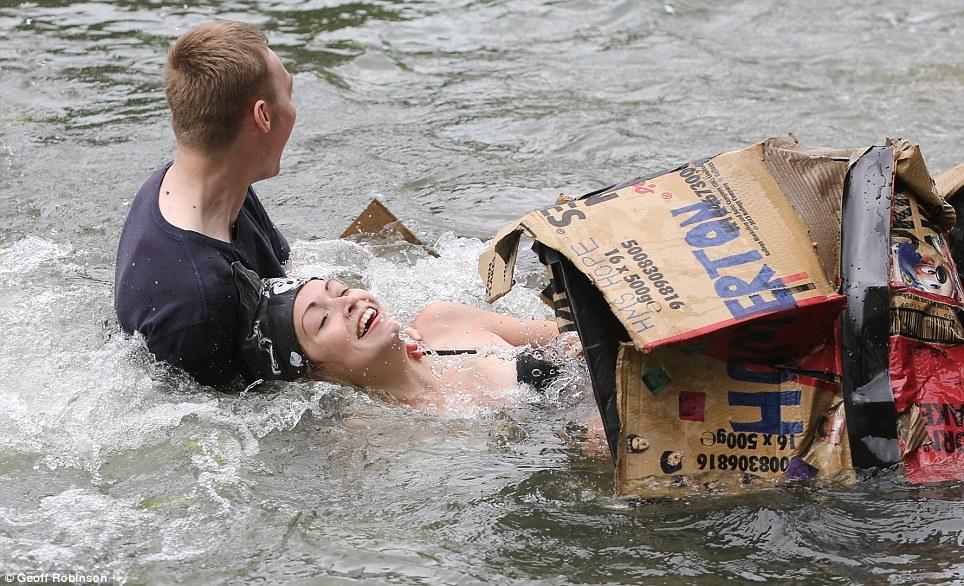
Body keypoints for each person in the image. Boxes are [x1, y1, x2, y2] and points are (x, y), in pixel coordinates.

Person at [114, 21, 296, 387]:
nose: (294, 109)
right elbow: (249, 419)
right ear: (263, 116)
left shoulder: (217, 184)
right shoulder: (197, 305)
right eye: (289, 93)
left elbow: (284, 274)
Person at [232, 263, 574, 413]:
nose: (349, 303)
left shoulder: (443, 320)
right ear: (315, 373)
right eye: (322, 320)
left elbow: (575, 336)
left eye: (341, 290)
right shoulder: (379, 439)